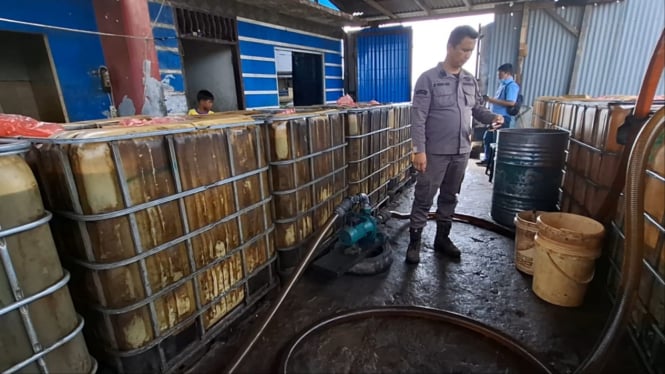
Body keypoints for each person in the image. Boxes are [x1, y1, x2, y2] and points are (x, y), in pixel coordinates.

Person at [406, 25, 505, 265]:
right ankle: (415, 243)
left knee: (450, 196)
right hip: (434, 153)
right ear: (450, 47)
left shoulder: (470, 80)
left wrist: (492, 118)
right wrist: (419, 150)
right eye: (464, 50)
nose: (467, 55)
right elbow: (418, 117)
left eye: (471, 51)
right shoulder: (428, 79)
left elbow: (477, 109)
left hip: (461, 152)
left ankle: (442, 239)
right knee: (424, 198)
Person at [477, 63, 520, 166]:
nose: (498, 76)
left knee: (495, 141)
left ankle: (493, 163)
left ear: (507, 73)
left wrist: (491, 100)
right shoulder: (503, 85)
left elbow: (511, 102)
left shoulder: (512, 86)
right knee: (488, 138)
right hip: (495, 117)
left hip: (503, 118)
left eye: (500, 74)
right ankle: (488, 160)